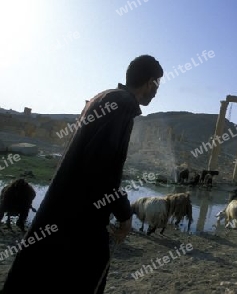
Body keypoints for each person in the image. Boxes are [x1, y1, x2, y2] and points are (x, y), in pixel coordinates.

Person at [0, 55, 163, 293]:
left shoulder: (105, 98)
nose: (157, 91)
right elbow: (102, 166)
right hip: (80, 219)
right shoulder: (123, 105)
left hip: (63, 209)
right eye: (157, 84)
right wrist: (124, 213)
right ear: (150, 82)